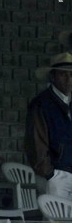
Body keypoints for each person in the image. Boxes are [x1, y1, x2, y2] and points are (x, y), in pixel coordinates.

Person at [25, 52, 72, 199]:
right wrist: (49, 174)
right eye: (63, 74)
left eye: (71, 75)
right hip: (56, 175)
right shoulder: (42, 104)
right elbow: (35, 141)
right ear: (53, 76)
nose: (68, 79)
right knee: (57, 214)